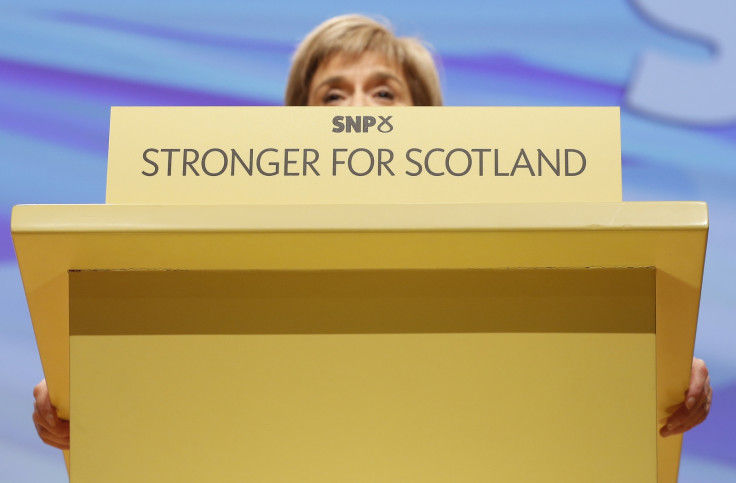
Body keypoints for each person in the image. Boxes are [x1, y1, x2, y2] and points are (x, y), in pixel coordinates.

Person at [31, 13, 712, 451]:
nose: (359, 110)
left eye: (384, 91)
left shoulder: (506, 242)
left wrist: (651, 378)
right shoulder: (212, 253)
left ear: (429, 120)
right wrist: (94, 403)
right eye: (332, 94)